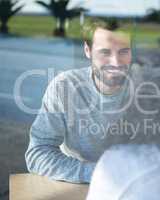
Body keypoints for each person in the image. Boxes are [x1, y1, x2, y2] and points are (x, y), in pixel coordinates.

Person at [25, 21, 134, 183]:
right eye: (105, 52)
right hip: (80, 186)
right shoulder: (64, 87)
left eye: (124, 51)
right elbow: (38, 152)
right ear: (87, 50)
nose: (116, 63)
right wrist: (99, 174)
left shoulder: (150, 88)